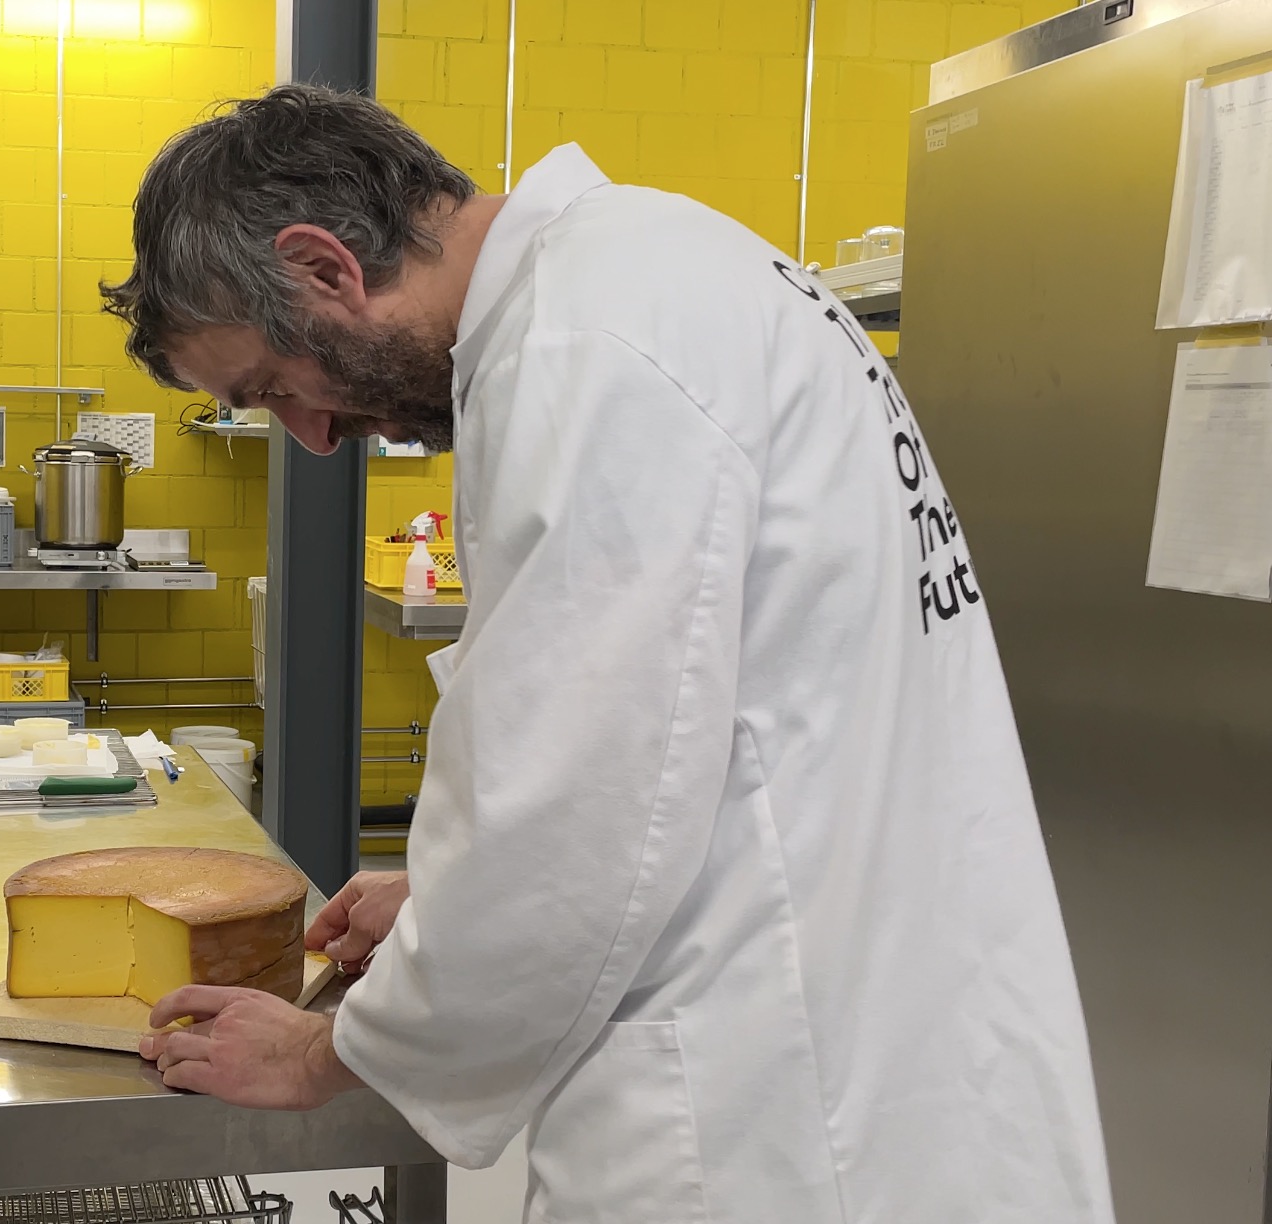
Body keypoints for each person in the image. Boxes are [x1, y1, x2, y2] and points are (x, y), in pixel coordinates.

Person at [103, 85, 1113, 1222]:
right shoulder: (663, 270)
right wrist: (448, 901)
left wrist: (321, 1053)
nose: (314, 436)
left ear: (322, 267)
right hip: (877, 1033)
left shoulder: (587, 348)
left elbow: (568, 822)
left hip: (771, 1106)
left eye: (276, 388)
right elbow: (706, 730)